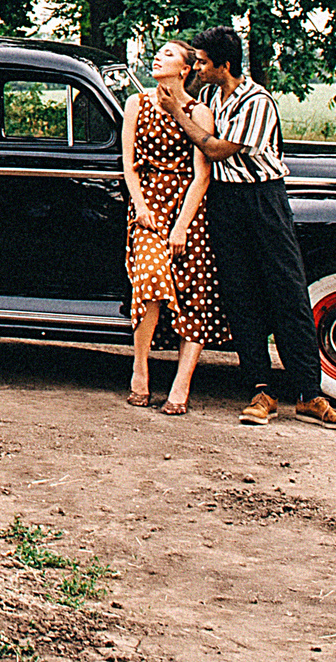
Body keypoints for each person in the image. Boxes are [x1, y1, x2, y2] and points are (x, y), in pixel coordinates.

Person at [167, 27, 336, 429]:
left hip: (263, 199)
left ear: (225, 65)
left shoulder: (258, 102)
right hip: (226, 203)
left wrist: (178, 118)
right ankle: (260, 390)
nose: (197, 68)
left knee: (287, 293)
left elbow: (217, 149)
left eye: (202, 62)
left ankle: (309, 394)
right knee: (242, 296)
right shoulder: (209, 97)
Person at [121, 39, 224, 413]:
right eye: (158, 52)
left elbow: (201, 176)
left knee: (196, 289)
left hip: (187, 207)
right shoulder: (137, 103)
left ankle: (182, 383)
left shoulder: (199, 112)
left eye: (168, 55)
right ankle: (140, 367)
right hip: (148, 204)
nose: (157, 58)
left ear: (184, 69)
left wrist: (181, 226)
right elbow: (128, 165)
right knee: (150, 277)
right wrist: (141, 208)